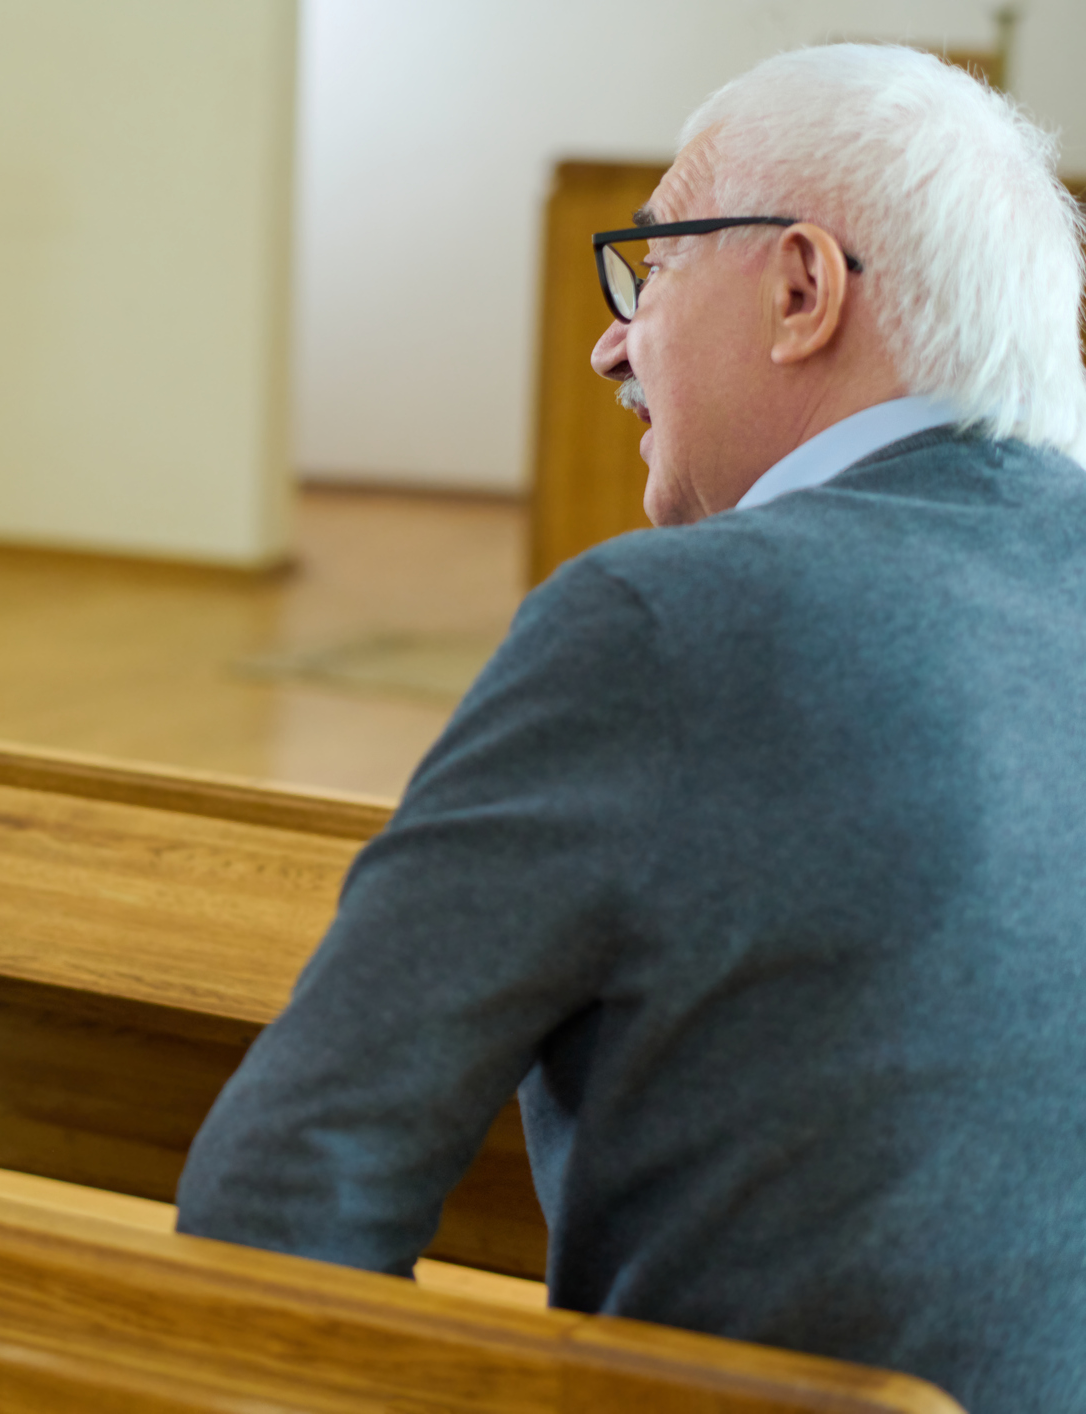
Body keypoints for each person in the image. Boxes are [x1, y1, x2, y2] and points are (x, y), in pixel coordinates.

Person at [177, 44, 1086, 1411]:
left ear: (798, 288)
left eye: (652, 261)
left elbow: (293, 1180)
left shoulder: (663, 621)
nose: (611, 338)